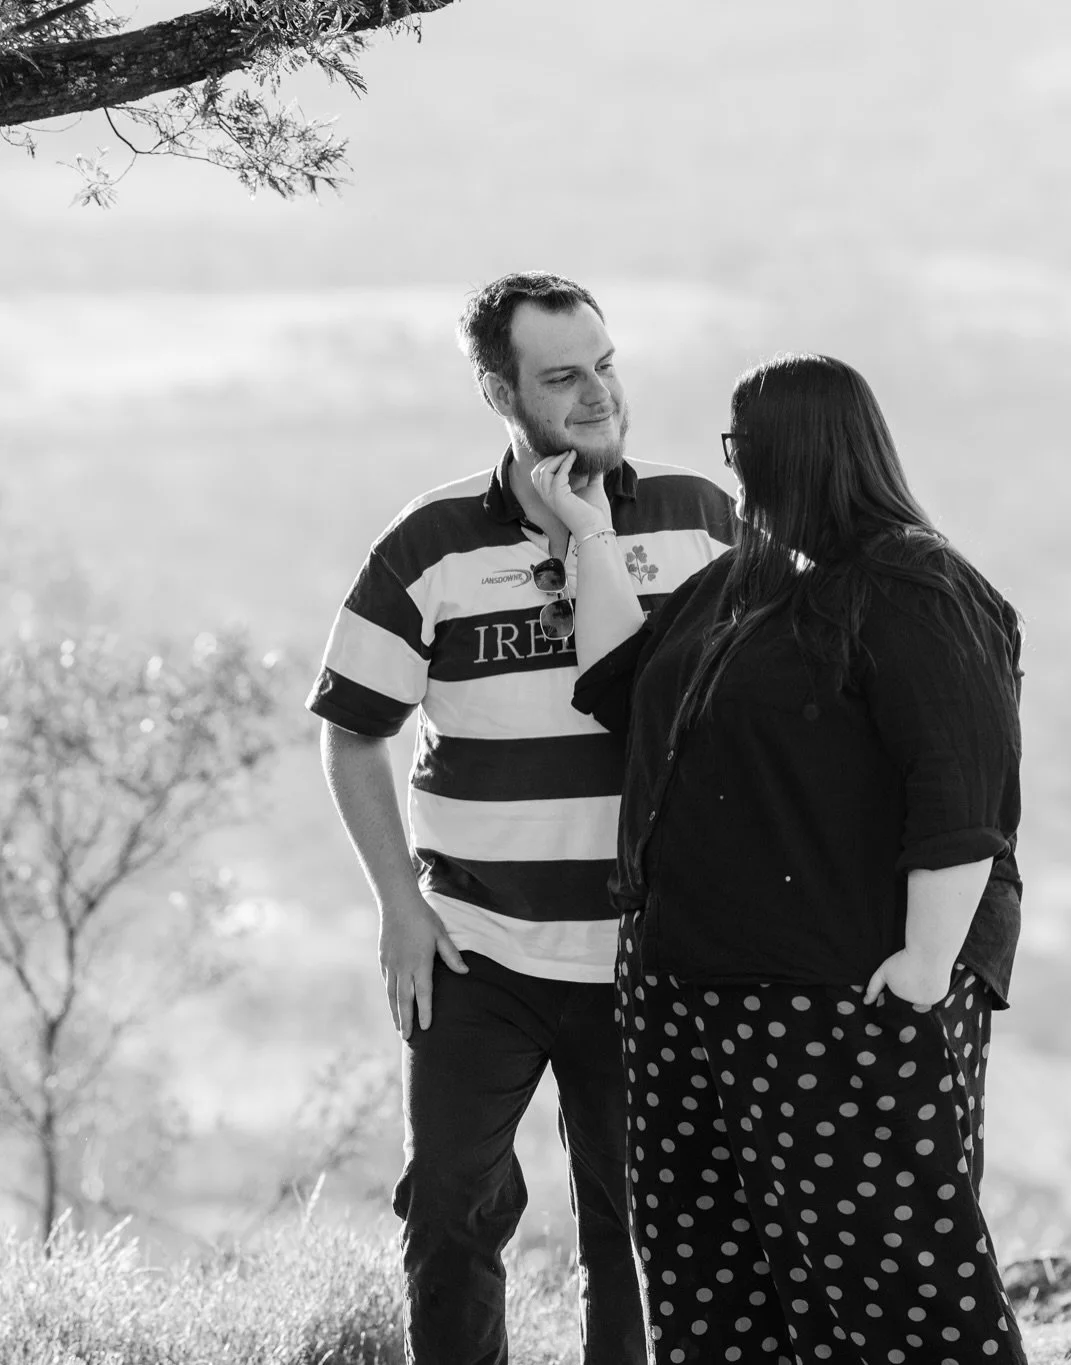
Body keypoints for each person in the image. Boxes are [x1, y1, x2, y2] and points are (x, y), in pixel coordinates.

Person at [534, 352, 1030, 1364]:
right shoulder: (747, 579)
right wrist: (589, 536)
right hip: (685, 989)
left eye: (740, 447)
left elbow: (960, 787)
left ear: (789, 453)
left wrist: (927, 962)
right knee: (711, 1284)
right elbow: (625, 687)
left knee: (892, 1285)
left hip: (839, 996)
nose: (734, 468)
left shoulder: (915, 587)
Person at [305, 271, 737, 1365]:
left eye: (606, 365)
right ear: (500, 393)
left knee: (638, 1228)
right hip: (476, 949)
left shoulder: (698, 519)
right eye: (562, 378)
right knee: (450, 1209)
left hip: (647, 955)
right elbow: (353, 732)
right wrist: (399, 905)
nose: (598, 394)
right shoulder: (431, 541)